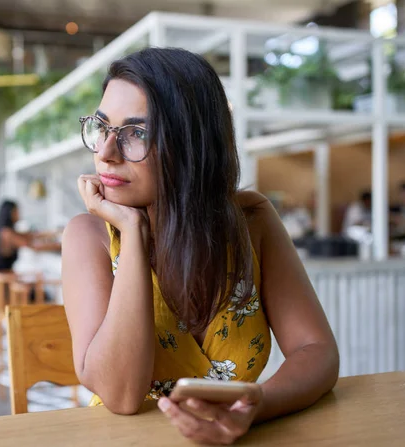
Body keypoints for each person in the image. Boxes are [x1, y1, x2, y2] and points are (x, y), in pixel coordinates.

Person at [62, 48, 339, 445]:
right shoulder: (88, 237)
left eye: (137, 133)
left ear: (191, 144)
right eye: (102, 127)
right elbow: (122, 396)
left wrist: (253, 407)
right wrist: (132, 232)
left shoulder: (251, 222)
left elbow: (317, 351)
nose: (104, 154)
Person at [0, 200, 60, 300]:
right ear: (10, 213)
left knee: (39, 290)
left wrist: (54, 233)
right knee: (43, 295)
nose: (19, 214)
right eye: (16, 211)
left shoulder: (5, 231)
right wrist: (61, 245)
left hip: (2, 281)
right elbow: (33, 247)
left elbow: (31, 235)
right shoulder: (7, 233)